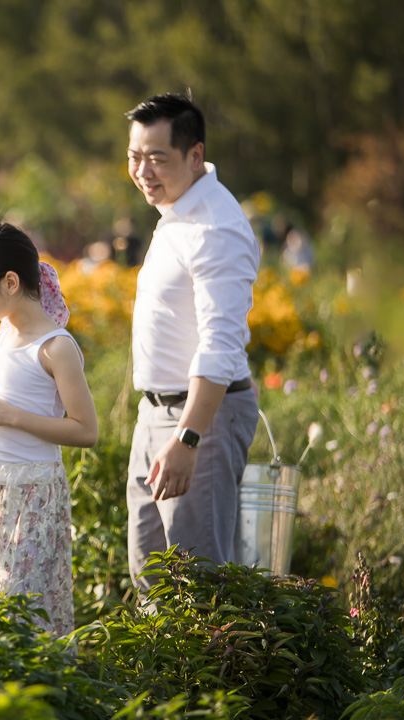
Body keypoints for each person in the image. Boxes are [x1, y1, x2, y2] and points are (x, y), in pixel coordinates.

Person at [123, 92, 260, 595]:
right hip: (157, 410)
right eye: (135, 157)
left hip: (201, 417)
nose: (142, 171)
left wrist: (187, 439)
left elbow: (221, 344)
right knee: (151, 573)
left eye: (157, 158)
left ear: (195, 156)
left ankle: (211, 678)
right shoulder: (177, 212)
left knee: (197, 581)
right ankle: (160, 677)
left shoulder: (214, 228)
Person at [0, 222, 99, 636]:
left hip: (32, 492)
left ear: (10, 282)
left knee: (20, 607)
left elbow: (85, 430)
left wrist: (7, 415)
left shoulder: (56, 347)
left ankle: (38, 694)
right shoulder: (0, 337)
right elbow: (4, 403)